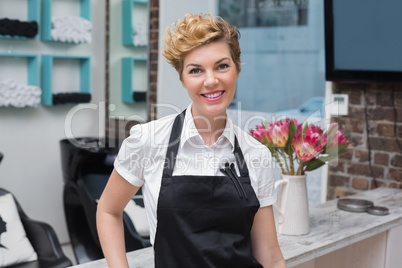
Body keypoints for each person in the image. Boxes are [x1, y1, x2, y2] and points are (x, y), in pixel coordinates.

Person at [96, 13, 286, 268]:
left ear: (237, 70)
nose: (211, 80)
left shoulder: (256, 154)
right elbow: (108, 210)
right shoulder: (148, 140)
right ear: (183, 78)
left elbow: (270, 257)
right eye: (196, 70)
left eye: (222, 66)